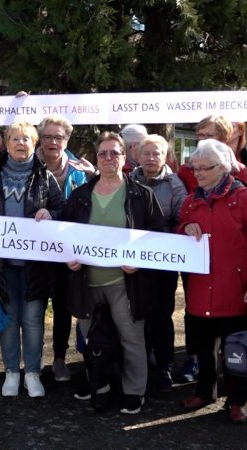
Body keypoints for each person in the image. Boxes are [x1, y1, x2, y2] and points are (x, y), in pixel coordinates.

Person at [63, 131, 165, 415]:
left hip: (125, 282)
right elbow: (64, 235)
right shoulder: (81, 196)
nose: (108, 158)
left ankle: (134, 391)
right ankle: (101, 383)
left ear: (125, 157)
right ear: (97, 159)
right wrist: (68, 259)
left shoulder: (141, 195)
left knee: (131, 338)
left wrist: (141, 261)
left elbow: (157, 236)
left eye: (114, 153)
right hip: (86, 281)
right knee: (92, 340)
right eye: (103, 153)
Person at [178, 139, 247, 424]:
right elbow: (176, 233)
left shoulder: (244, 198)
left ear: (222, 168)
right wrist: (185, 227)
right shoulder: (191, 200)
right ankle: (205, 391)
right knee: (203, 348)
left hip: (235, 290)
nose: (199, 174)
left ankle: (237, 400)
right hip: (199, 289)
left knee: (236, 350)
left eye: (205, 168)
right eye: (195, 169)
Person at [0, 120, 63, 398]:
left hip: (35, 266)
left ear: (34, 144)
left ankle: (32, 372)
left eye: (26, 140)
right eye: (15, 139)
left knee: (33, 320)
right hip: (1, 265)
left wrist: (51, 215)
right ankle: (11, 372)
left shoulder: (45, 175)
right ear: (5, 144)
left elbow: (60, 208)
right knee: (8, 320)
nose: (21, 144)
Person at [130, 134, 187, 393]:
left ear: (165, 157)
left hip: (163, 260)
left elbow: (181, 222)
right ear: (137, 156)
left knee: (162, 314)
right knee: (137, 312)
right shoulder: (127, 180)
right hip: (131, 259)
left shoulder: (176, 185)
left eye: (157, 154)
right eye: (147, 153)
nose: (151, 158)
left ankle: (164, 366)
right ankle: (139, 363)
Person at [36, 115, 90, 382]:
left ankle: (59, 358)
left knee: (62, 308)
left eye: (58, 137)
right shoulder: (27, 166)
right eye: (47, 136)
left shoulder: (80, 172)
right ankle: (30, 364)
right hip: (32, 249)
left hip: (66, 251)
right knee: (32, 309)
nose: (53, 142)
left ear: (66, 140)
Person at [177, 115, 247, 192]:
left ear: (223, 138)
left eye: (209, 135)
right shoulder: (185, 170)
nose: (203, 139)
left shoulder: (239, 169)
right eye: (201, 135)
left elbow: (245, 199)